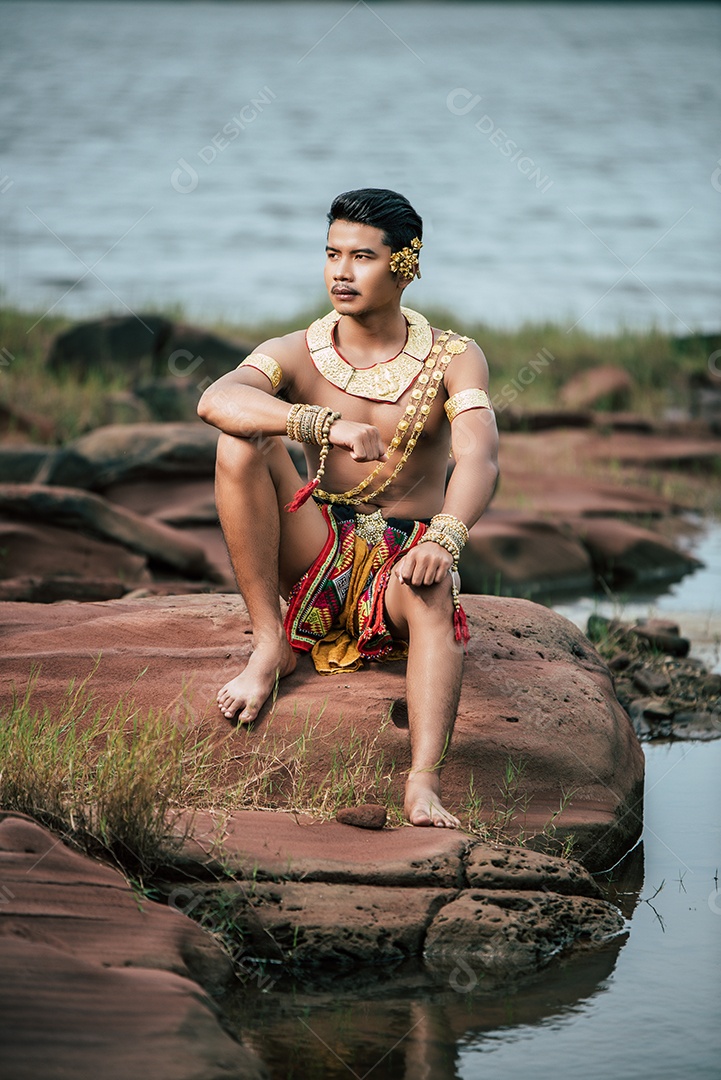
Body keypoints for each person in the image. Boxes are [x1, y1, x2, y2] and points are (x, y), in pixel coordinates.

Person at [198, 188, 499, 827]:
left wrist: (443, 539)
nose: (341, 271)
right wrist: (319, 424)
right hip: (315, 542)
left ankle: (422, 783)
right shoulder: (297, 350)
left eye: (362, 256)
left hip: (404, 554)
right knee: (239, 443)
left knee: (431, 595)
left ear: (405, 264)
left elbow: (480, 457)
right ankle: (269, 644)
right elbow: (217, 399)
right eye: (331, 253)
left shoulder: (454, 356)